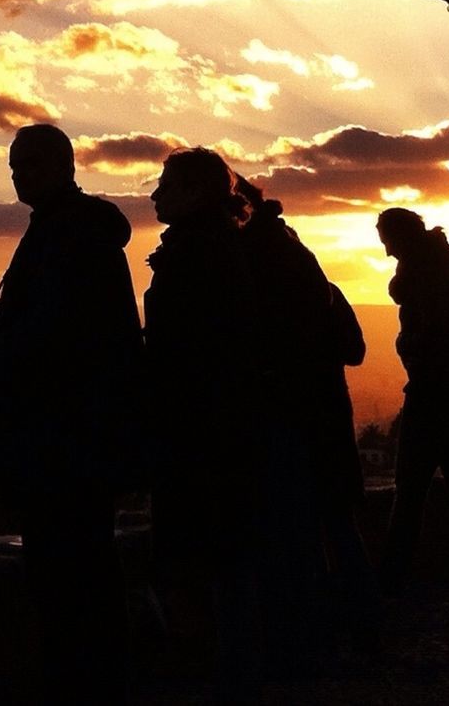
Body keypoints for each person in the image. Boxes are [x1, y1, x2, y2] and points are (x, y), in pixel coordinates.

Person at [0, 123, 146, 706]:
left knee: (71, 572)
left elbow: (56, 334)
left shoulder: (68, 234)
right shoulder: (65, 230)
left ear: (64, 165)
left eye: (31, 163)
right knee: (83, 567)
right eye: (15, 164)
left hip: (62, 442)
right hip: (73, 440)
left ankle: (85, 684)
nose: (19, 174)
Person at [236, 178, 376, 661]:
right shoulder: (314, 274)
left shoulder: (260, 266)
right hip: (328, 420)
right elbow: (354, 350)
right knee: (339, 529)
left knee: (299, 537)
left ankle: (311, 641)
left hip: (292, 421)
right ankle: (363, 633)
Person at [143, 148, 262, 695]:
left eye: (166, 183)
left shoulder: (194, 254)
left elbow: (183, 352)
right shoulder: (221, 248)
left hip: (194, 432)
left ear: (193, 192)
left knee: (190, 554)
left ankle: (205, 670)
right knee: (217, 556)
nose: (155, 194)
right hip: (215, 429)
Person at [375, 207, 449, 603]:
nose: (385, 248)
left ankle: (393, 579)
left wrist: (411, 345)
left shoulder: (425, 272)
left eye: (385, 237)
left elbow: (448, 328)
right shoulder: (439, 267)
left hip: (434, 392)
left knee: (413, 491)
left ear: (399, 236)